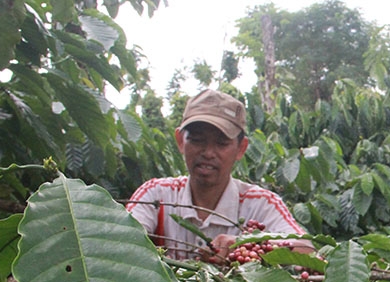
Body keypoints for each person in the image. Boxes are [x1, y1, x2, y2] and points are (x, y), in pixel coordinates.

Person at [127, 88, 310, 260]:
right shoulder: (156, 197)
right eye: (197, 140)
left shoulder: (261, 205)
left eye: (221, 143)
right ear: (180, 141)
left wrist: (247, 248)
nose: (208, 152)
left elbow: (308, 250)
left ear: (241, 148)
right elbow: (121, 243)